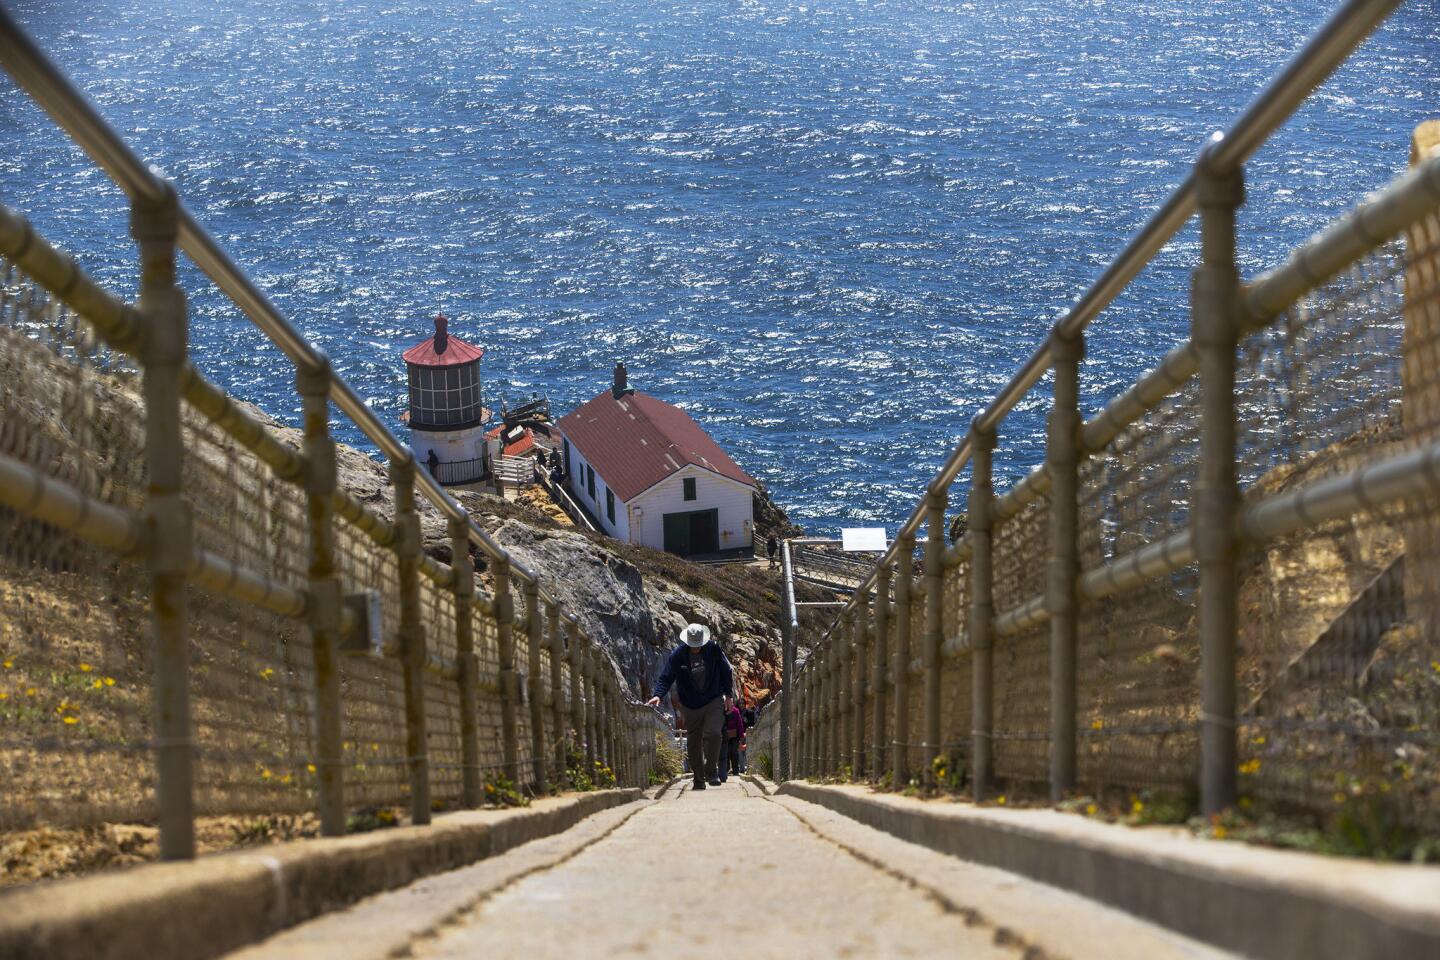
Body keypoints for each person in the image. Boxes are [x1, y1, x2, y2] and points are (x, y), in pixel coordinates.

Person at [647, 623, 732, 790]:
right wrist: (658, 694)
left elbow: (725, 670)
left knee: (714, 733)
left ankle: (711, 770)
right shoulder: (678, 655)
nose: (696, 648)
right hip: (690, 704)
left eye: (698, 645)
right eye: (693, 645)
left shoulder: (713, 649)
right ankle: (699, 779)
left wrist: (728, 695)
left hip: (713, 698)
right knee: (693, 742)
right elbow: (666, 677)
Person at [722, 696, 745, 779]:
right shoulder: (723, 711)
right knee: (726, 753)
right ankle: (726, 770)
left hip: (734, 736)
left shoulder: (736, 711)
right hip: (725, 736)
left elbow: (739, 724)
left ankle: (735, 770)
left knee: (734, 753)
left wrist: (741, 736)